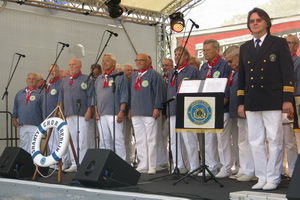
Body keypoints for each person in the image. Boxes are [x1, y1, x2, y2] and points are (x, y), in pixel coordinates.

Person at [237, 8, 294, 190]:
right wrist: (240, 102)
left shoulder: (277, 43)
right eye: (252, 20)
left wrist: (287, 99)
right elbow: (242, 77)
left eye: (258, 20)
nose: (255, 23)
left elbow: (287, 71)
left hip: (272, 98)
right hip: (252, 100)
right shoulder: (245, 47)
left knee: (275, 139)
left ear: (267, 23)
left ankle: (273, 177)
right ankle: (261, 176)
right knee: (255, 140)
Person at [199, 39, 232, 178]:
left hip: (221, 107)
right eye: (204, 50)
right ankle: (211, 166)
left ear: (217, 49)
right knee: (208, 138)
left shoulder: (224, 65)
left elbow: (229, 85)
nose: (205, 53)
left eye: (208, 50)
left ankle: (226, 167)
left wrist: (223, 102)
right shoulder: (204, 67)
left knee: (222, 139)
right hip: (207, 109)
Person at [223, 46, 256, 182]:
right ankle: (244, 168)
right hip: (237, 110)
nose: (229, 64)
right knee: (241, 142)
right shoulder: (234, 72)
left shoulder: (246, 70)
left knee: (250, 140)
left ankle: (252, 170)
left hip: (246, 109)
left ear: (237, 56)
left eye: (230, 61)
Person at [167, 46, 200, 175]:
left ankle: (193, 166)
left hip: (187, 109)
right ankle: (179, 165)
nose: (176, 56)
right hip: (173, 108)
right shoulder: (172, 72)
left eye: (179, 54)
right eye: (175, 54)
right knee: (175, 140)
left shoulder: (192, 70)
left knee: (189, 139)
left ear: (186, 56)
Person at [128, 53, 163, 175]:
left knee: (151, 139)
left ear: (148, 62)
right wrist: (130, 109)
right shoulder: (133, 75)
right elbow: (131, 93)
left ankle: (152, 165)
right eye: (136, 60)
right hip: (136, 111)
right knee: (140, 139)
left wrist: (157, 107)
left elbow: (158, 93)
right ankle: (143, 164)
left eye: (141, 60)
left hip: (149, 111)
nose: (138, 62)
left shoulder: (154, 75)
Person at [60, 58, 94, 173]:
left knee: (82, 139)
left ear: (79, 66)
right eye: (69, 65)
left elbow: (91, 96)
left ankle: (83, 164)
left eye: (73, 64)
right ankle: (74, 163)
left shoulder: (86, 79)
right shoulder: (64, 81)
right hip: (69, 114)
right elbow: (61, 98)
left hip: (82, 114)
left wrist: (89, 109)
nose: (71, 66)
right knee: (72, 139)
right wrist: (61, 112)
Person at [94, 54, 128, 161]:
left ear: (113, 62)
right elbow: (95, 97)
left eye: (107, 61)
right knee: (104, 141)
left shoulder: (119, 76)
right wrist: (96, 111)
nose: (104, 63)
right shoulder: (99, 78)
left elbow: (124, 95)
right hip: (101, 114)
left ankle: (121, 162)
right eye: (103, 61)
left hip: (115, 113)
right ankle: (105, 163)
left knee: (117, 139)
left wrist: (122, 111)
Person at [42, 64, 69, 170]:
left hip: (57, 116)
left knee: (60, 141)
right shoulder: (48, 84)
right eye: (50, 71)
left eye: (54, 71)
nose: (51, 72)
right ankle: (54, 161)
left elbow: (61, 99)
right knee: (51, 141)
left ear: (58, 71)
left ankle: (64, 162)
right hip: (48, 117)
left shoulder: (60, 83)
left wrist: (60, 113)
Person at [280, 34, 300, 177]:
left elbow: (297, 85)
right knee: (275, 141)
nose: (286, 45)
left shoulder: (298, 62)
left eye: (290, 42)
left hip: (290, 104)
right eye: (285, 42)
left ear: (296, 46)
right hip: (275, 104)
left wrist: (292, 103)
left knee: (289, 141)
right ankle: (279, 170)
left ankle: (293, 171)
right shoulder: (278, 61)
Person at [12, 73, 43, 153]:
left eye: (33, 79)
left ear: (36, 81)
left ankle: (34, 165)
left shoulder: (40, 93)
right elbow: (16, 106)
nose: (31, 80)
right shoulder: (20, 93)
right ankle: (25, 164)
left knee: (35, 146)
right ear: (26, 80)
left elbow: (43, 109)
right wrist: (14, 117)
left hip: (35, 124)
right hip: (23, 124)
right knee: (23, 146)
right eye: (29, 78)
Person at [122, 63, 135, 164]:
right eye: (128, 70)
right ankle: (127, 159)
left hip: (135, 112)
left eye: (131, 70)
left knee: (134, 137)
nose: (130, 72)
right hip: (125, 113)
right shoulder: (122, 81)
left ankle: (132, 158)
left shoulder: (134, 81)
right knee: (126, 137)